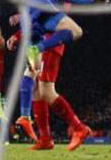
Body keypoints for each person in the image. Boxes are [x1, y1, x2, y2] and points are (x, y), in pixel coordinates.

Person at [7, 17, 91, 152]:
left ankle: (79, 128)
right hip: (40, 44)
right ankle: (45, 139)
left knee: (46, 91)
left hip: (49, 43)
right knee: (35, 89)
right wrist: (18, 35)